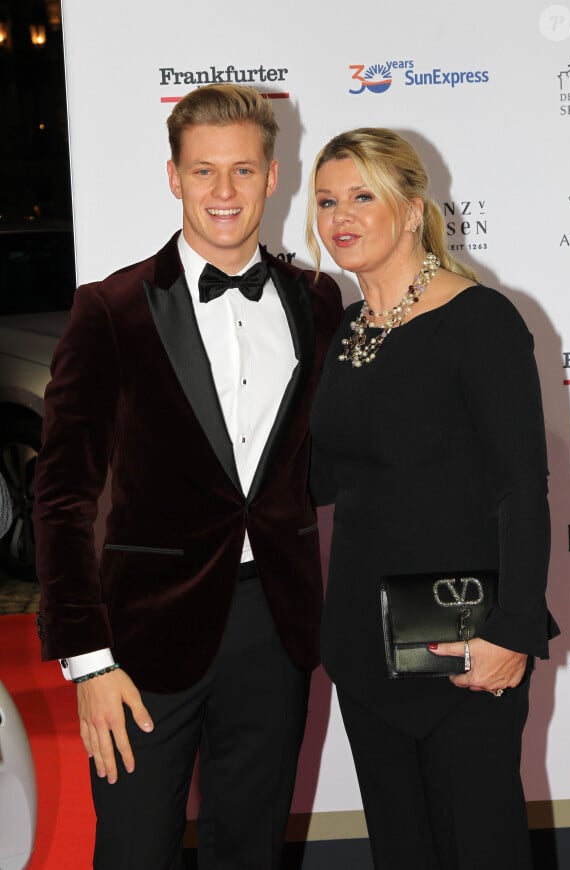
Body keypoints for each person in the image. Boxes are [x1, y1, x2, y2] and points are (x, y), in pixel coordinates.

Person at [33, 83, 342, 870]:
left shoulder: (315, 301)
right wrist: (88, 659)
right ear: (173, 176)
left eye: (242, 171)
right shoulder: (111, 310)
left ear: (275, 176)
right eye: (204, 172)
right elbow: (63, 496)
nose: (224, 193)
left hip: (273, 624)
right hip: (140, 638)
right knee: (135, 851)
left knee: (252, 849)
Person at [306, 127, 559, 870]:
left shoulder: (481, 319)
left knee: (479, 844)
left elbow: (523, 485)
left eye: (361, 196)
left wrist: (514, 631)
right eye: (325, 200)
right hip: (362, 642)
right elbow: (326, 480)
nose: (339, 216)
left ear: (412, 210)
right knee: (400, 849)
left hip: (464, 640)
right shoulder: (350, 331)